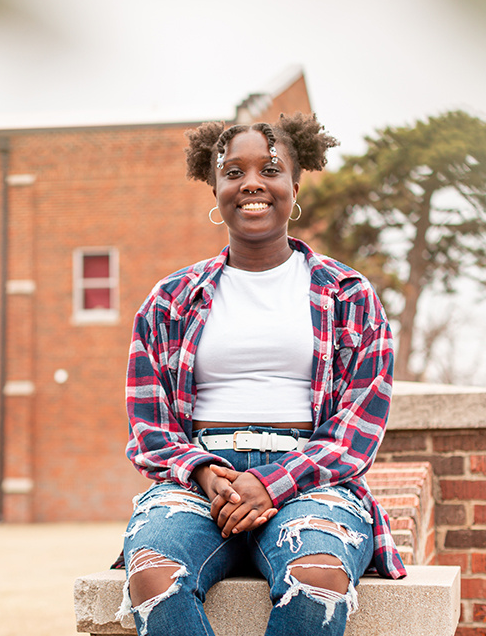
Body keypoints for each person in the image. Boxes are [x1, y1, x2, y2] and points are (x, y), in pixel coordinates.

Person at [119, 113, 406, 636]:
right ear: (216, 191)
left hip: (312, 478)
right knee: (153, 576)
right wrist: (207, 474)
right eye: (233, 172)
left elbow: (356, 430)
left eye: (269, 169)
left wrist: (272, 482)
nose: (251, 182)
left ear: (293, 188)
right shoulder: (170, 300)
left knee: (316, 576)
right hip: (201, 481)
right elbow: (150, 426)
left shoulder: (349, 295)